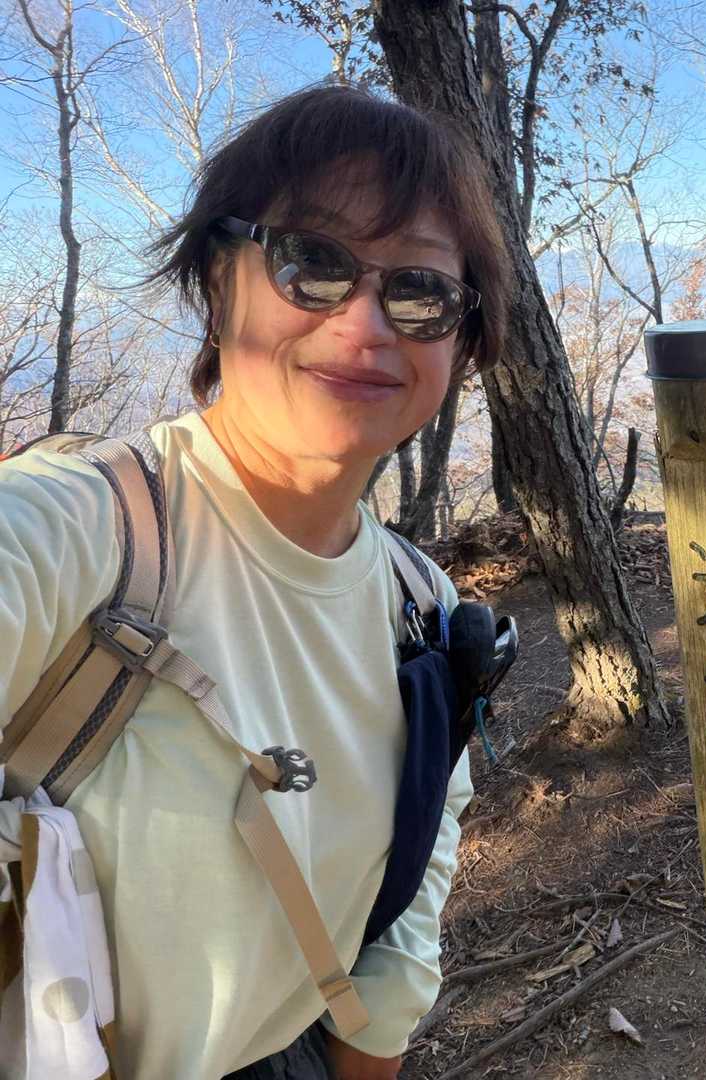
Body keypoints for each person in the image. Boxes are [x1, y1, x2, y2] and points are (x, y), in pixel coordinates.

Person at [0, 85, 509, 1078]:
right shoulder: (80, 530)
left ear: (462, 342)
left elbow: (413, 886)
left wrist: (370, 1050)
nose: (365, 323)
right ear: (216, 280)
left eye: (420, 291)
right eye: (311, 261)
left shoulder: (421, 607)